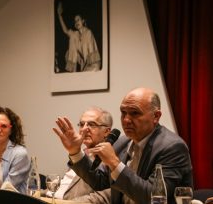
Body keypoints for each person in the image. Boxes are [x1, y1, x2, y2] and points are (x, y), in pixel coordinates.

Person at [52, 87, 193, 204]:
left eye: (134, 113)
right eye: (123, 113)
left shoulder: (172, 147)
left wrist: (114, 163)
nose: (126, 120)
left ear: (156, 116)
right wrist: (75, 151)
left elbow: (153, 198)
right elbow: (100, 183)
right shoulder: (121, 142)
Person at [46, 107, 112, 203]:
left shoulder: (110, 157)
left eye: (91, 125)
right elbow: (64, 187)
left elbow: (106, 194)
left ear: (107, 132)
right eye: (81, 124)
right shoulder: (79, 153)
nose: (84, 129)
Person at [57, 2, 101, 72]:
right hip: (85, 65)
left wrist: (83, 72)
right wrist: (59, 15)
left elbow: (91, 55)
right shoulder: (75, 34)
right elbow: (65, 31)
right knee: (67, 53)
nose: (76, 22)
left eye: (78, 20)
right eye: (75, 21)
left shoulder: (88, 32)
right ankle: (74, 72)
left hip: (93, 64)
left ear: (83, 21)